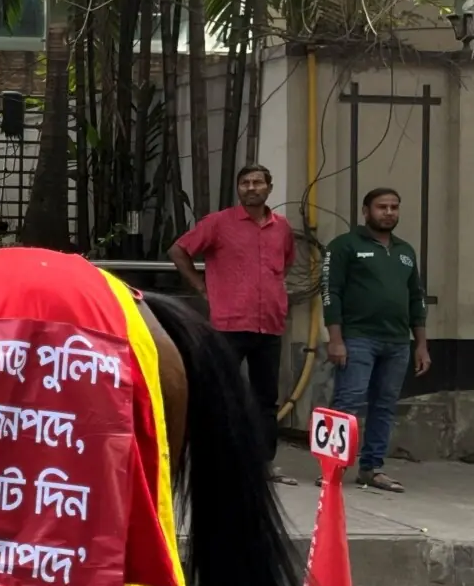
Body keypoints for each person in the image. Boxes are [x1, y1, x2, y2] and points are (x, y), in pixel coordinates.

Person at [169, 163, 298, 483]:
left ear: (269, 187)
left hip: (269, 325)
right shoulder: (218, 223)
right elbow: (179, 250)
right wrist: (201, 286)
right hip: (229, 323)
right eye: (245, 183)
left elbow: (286, 263)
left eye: (257, 183)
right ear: (238, 189)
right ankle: (209, 460)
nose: (251, 188)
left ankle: (263, 463)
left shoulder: (281, 227)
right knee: (218, 392)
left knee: (266, 398)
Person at [321, 187, 430, 492]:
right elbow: (332, 293)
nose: (389, 213)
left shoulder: (405, 251)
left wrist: (420, 344)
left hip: (397, 342)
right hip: (357, 339)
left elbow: (415, 298)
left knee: (384, 405)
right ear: (366, 211)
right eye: (382, 207)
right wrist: (336, 339)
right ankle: (332, 469)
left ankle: (372, 468)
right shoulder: (344, 246)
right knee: (348, 402)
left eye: (394, 207)